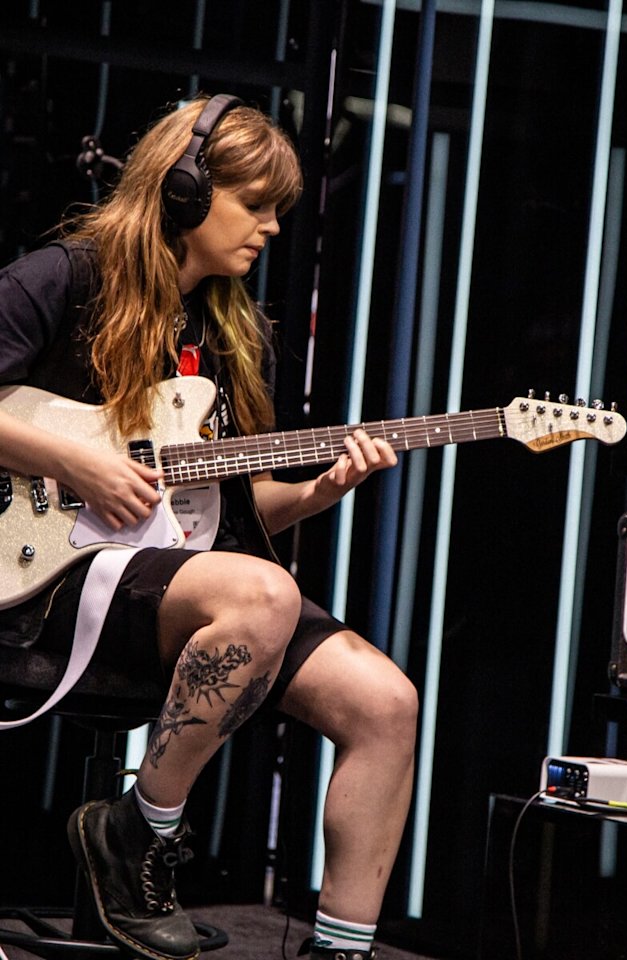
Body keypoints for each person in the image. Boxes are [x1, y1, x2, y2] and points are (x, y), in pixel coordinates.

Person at [0, 94, 418, 960]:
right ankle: (138, 834)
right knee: (264, 594)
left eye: (277, 210)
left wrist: (317, 495)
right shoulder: (62, 277)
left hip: (186, 575)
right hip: (49, 577)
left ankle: (342, 949)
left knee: (386, 703)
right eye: (254, 203)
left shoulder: (235, 335)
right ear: (185, 190)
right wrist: (78, 463)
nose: (269, 227)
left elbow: (234, 506)